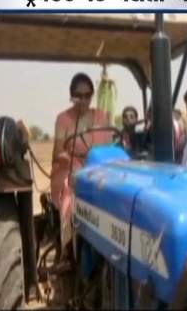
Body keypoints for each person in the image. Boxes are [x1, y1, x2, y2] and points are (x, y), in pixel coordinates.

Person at [51, 73, 111, 257]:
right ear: (72, 96)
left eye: (87, 95)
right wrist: (75, 165)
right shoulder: (63, 119)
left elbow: (108, 147)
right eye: (79, 95)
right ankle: (68, 250)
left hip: (98, 167)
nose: (83, 100)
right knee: (71, 192)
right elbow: (58, 153)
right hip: (70, 167)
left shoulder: (102, 116)